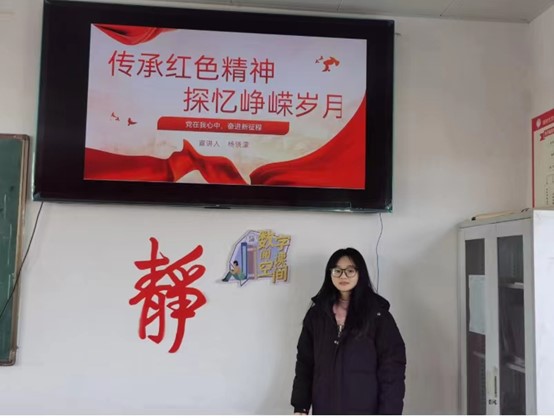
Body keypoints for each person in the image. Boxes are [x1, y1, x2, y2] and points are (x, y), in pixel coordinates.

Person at [291, 247, 406, 415]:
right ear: (330, 274)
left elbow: (392, 368)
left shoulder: (378, 315)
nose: (343, 276)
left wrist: (389, 412)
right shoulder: (317, 315)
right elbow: (305, 363)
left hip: (365, 408)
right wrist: (300, 406)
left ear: (360, 273)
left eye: (350, 271)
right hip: (324, 407)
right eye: (337, 270)